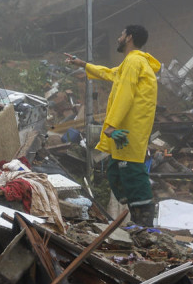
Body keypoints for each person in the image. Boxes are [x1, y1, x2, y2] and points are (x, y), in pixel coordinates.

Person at [67, 25, 162, 226]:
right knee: (115, 171)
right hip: (125, 130)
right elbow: (110, 73)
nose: (118, 37)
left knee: (133, 174)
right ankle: (136, 214)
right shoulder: (131, 63)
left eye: (121, 34)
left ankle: (144, 223)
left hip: (128, 130)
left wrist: (110, 125)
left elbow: (124, 95)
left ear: (129, 37)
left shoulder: (134, 62)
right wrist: (83, 64)